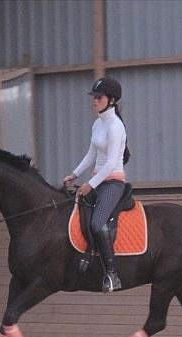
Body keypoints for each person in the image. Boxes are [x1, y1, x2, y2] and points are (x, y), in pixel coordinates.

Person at [64, 76, 131, 293]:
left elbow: (111, 162)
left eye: (98, 98)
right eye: (93, 97)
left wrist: (90, 185)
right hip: (98, 180)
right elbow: (91, 154)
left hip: (112, 183)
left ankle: (112, 275)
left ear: (111, 100)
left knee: (97, 222)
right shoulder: (97, 124)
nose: (94, 101)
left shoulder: (115, 126)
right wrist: (74, 174)